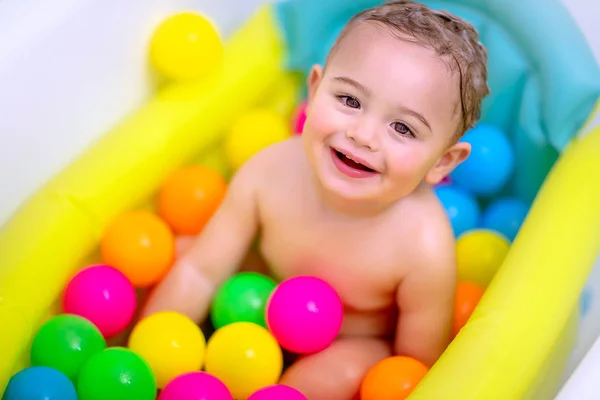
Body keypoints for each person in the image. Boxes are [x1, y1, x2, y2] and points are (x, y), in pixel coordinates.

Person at [141, 1, 490, 398]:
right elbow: (201, 272)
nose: (362, 135)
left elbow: (415, 364)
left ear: (443, 162)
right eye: (350, 101)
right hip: (260, 297)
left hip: (354, 341)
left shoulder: (423, 245)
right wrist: (150, 359)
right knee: (184, 253)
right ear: (314, 89)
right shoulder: (269, 170)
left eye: (402, 128)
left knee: (324, 378)